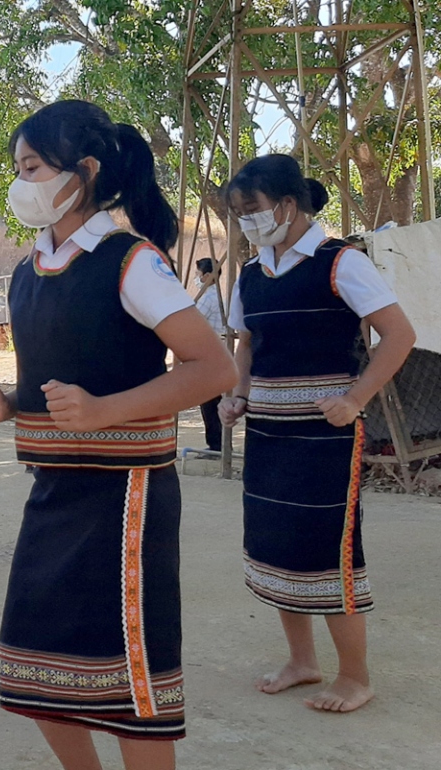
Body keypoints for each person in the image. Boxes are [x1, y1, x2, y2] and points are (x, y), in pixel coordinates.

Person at [0, 100, 236, 769]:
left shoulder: (129, 261)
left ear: (82, 171)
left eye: (31, 167)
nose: (20, 182)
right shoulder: (27, 272)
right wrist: (7, 402)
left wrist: (105, 411)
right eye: (18, 169)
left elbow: (213, 368)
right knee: (37, 671)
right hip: (54, 492)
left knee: (132, 695)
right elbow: (64, 380)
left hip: (126, 501)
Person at [218, 154, 415, 714]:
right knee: (275, 544)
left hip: (326, 436)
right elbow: (248, 344)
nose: (245, 221)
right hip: (269, 434)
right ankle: (302, 662)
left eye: (251, 209)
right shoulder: (253, 274)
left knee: (330, 551)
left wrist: (355, 399)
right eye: (237, 214)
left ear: (285, 205)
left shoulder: (341, 263)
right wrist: (239, 395)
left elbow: (399, 335)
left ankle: (355, 676)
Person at [193, 258, 228, 452]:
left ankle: (216, 443)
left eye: (198, 275)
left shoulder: (207, 298)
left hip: (208, 355)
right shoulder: (219, 296)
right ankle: (218, 442)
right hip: (218, 353)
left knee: (208, 401)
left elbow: (192, 322)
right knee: (212, 400)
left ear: (207, 276)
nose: (196, 279)